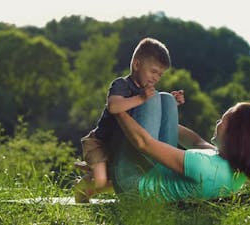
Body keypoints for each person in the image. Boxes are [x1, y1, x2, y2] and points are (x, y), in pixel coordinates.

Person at [109, 92, 250, 201]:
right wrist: (163, 115)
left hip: (131, 182)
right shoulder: (232, 170)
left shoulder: (203, 166)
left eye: (223, 120)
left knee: (153, 99)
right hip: (150, 170)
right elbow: (196, 141)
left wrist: (119, 112)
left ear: (235, 135)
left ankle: (103, 146)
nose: (218, 122)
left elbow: (144, 143)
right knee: (166, 100)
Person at [74, 37, 185, 202]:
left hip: (121, 145)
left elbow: (149, 116)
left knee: (110, 180)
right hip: (101, 143)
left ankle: (97, 170)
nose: (156, 78)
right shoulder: (122, 84)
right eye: (153, 71)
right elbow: (114, 106)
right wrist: (141, 99)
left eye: (160, 75)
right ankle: (82, 185)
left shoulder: (144, 91)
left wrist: (171, 103)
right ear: (137, 65)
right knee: (101, 181)